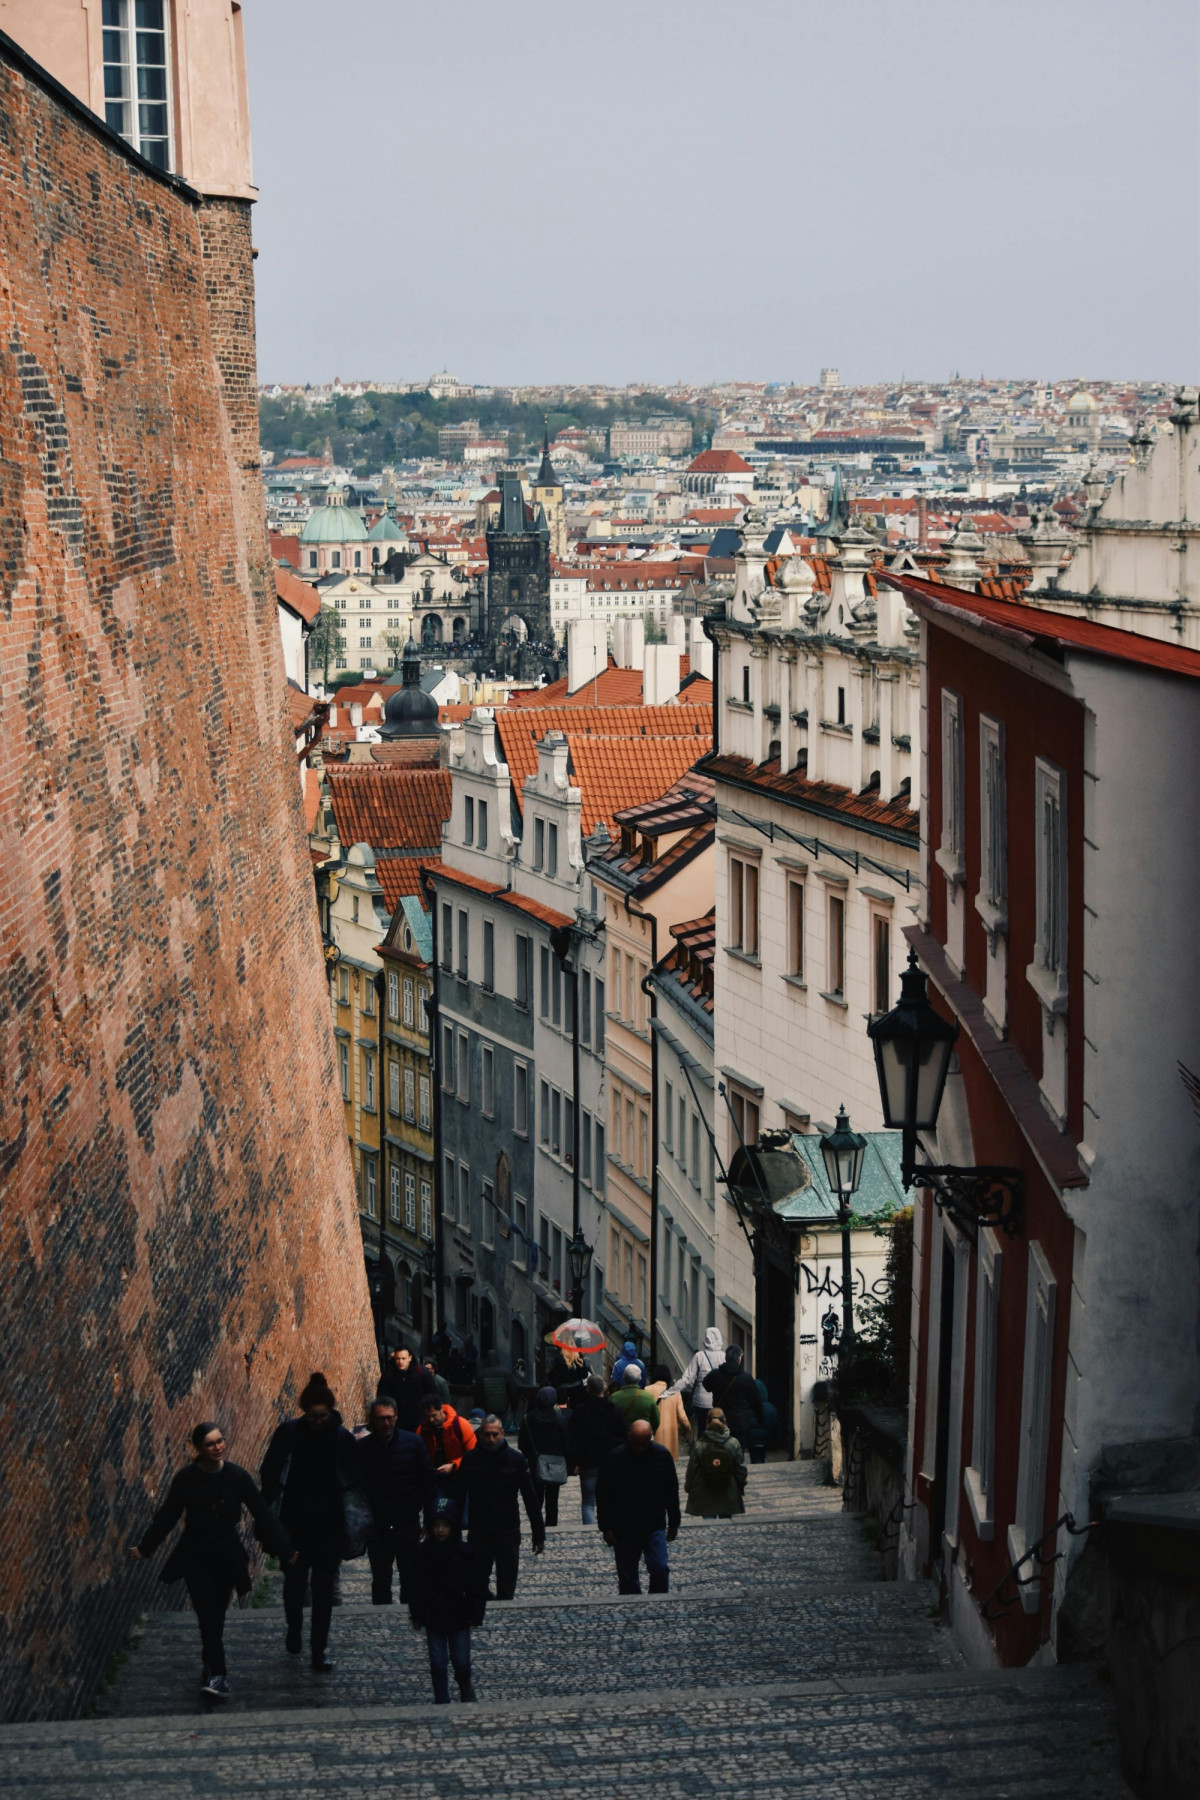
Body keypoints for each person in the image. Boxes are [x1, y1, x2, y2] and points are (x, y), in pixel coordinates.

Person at [130, 1420, 292, 1699]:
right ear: (198, 1448)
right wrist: (146, 1547)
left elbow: (262, 1514)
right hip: (196, 1555)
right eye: (210, 1444)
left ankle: (210, 1662)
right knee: (206, 1614)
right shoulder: (186, 1479)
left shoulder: (238, 1477)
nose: (217, 1447)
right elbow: (168, 1515)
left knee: (215, 1615)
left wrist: (285, 1549)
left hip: (227, 1555)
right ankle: (219, 1675)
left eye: (220, 1441)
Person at [259, 1373, 357, 1672]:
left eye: (323, 1416)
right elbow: (269, 1473)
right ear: (305, 1411)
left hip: (328, 1526)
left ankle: (318, 1648)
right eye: (313, 1416)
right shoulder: (288, 1433)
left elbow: (355, 1478)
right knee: (294, 1583)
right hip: (294, 1525)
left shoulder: (340, 1437)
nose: (317, 1421)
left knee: (324, 1590)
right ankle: (294, 1627)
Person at [354, 1394, 435, 1605]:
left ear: (396, 1416)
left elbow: (428, 1483)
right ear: (373, 1420)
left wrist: (430, 1517)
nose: (386, 1423)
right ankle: (383, 1619)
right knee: (381, 1580)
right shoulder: (362, 1449)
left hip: (407, 1522)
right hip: (377, 1526)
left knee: (410, 1577)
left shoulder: (413, 1443)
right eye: (381, 1418)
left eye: (389, 1417)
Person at [406, 1495, 486, 1704]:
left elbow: (477, 1586)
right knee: (438, 1662)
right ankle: (441, 1699)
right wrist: (416, 1613)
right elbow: (415, 1586)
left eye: (445, 1525)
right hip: (434, 1615)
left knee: (461, 1661)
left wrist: (475, 1614)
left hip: (459, 1614)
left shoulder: (465, 1553)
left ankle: (464, 1684)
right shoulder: (423, 1553)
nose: (440, 1530)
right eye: (436, 1525)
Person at [455, 1413, 544, 1599]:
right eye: (487, 1434)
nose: (491, 1439)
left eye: (495, 1434)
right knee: (477, 1581)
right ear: (480, 1434)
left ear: (502, 1433)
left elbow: (530, 1497)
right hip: (479, 1529)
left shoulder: (516, 1459)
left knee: (507, 1583)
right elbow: (458, 1496)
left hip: (507, 1529)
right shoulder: (470, 1460)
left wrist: (538, 1532)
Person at [595, 1418, 680, 1594]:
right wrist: (606, 1528)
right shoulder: (614, 1458)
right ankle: (632, 1604)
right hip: (624, 1526)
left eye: (643, 1444)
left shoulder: (662, 1456)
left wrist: (674, 1522)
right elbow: (604, 1496)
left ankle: (657, 1600)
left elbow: (671, 1491)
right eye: (636, 1444)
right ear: (629, 1439)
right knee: (627, 1575)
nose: (640, 1449)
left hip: (653, 1523)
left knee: (659, 1568)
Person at [567, 1374, 627, 1524]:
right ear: (604, 1388)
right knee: (611, 1497)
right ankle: (611, 1526)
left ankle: (590, 1530)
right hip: (611, 1459)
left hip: (587, 1460)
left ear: (588, 1389)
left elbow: (572, 1437)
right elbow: (624, 1435)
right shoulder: (615, 1410)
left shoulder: (580, 1411)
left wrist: (574, 1461)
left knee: (588, 1501)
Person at [518, 1386, 571, 1528]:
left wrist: (531, 1455)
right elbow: (566, 1443)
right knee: (552, 1499)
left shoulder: (528, 1419)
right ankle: (551, 1525)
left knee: (537, 1497)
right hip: (555, 1463)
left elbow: (522, 1444)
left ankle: (537, 1524)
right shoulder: (559, 1420)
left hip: (536, 1462)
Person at [684, 1407, 748, 1520]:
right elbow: (740, 1469)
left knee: (708, 1525)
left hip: (705, 1491)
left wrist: (688, 1487)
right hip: (728, 1490)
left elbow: (691, 1470)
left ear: (707, 1422)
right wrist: (740, 1485)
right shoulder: (733, 1443)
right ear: (725, 1421)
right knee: (726, 1524)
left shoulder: (699, 1444)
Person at [662, 1326, 725, 1430]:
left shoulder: (699, 1356)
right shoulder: (724, 1356)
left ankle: (701, 1445)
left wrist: (669, 1392)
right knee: (717, 1429)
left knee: (702, 1428)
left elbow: (686, 1378)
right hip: (718, 1400)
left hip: (702, 1401)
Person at [702, 1345, 764, 1451]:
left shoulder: (715, 1375)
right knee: (738, 1451)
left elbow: (706, 1386)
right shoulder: (746, 1378)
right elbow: (756, 1401)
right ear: (739, 1359)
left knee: (720, 1451)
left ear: (726, 1358)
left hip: (720, 1420)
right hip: (740, 1423)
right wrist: (760, 1419)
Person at [417, 1393, 477, 1495]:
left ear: (441, 1409)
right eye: (428, 1416)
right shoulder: (422, 1430)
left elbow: (474, 1455)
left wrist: (454, 1465)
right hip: (434, 1479)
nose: (431, 1419)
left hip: (459, 1477)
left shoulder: (461, 1425)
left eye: (434, 1415)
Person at [378, 1346, 436, 1432]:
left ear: (410, 1358)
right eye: (398, 1358)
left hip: (419, 1417)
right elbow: (382, 1396)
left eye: (403, 1358)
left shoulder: (421, 1372)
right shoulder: (389, 1375)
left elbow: (432, 1393)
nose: (400, 1362)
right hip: (398, 1419)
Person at [611, 1364, 660, 1432]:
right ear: (639, 1378)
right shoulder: (648, 1397)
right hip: (643, 1435)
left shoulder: (614, 1398)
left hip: (622, 1435)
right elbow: (656, 1421)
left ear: (624, 1377)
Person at [474, 1348, 517, 1421]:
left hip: (487, 1408)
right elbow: (513, 1392)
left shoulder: (482, 1374)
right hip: (503, 1408)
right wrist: (514, 1408)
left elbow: (478, 1394)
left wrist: (478, 1407)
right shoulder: (506, 1373)